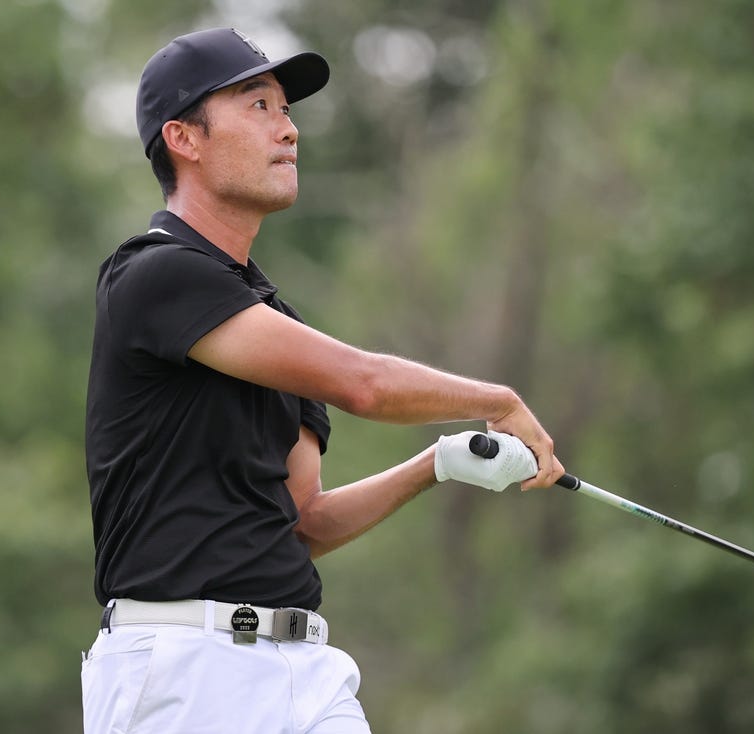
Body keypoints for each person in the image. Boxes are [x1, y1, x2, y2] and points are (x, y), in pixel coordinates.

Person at [81, 27, 565, 734]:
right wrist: (500, 400)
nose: (289, 130)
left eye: (286, 109)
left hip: (304, 669)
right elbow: (363, 384)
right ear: (183, 138)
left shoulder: (275, 320)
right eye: (258, 106)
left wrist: (435, 464)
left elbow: (302, 521)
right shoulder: (154, 274)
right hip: (182, 668)